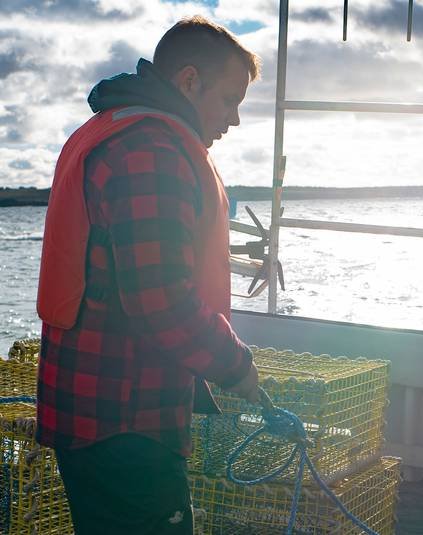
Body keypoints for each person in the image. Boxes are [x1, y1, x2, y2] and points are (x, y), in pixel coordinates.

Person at [36, 16, 263, 534]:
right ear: (188, 82)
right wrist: (236, 367)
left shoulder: (120, 133)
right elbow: (161, 300)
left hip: (94, 417)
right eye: (229, 100)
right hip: (123, 422)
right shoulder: (153, 152)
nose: (234, 120)